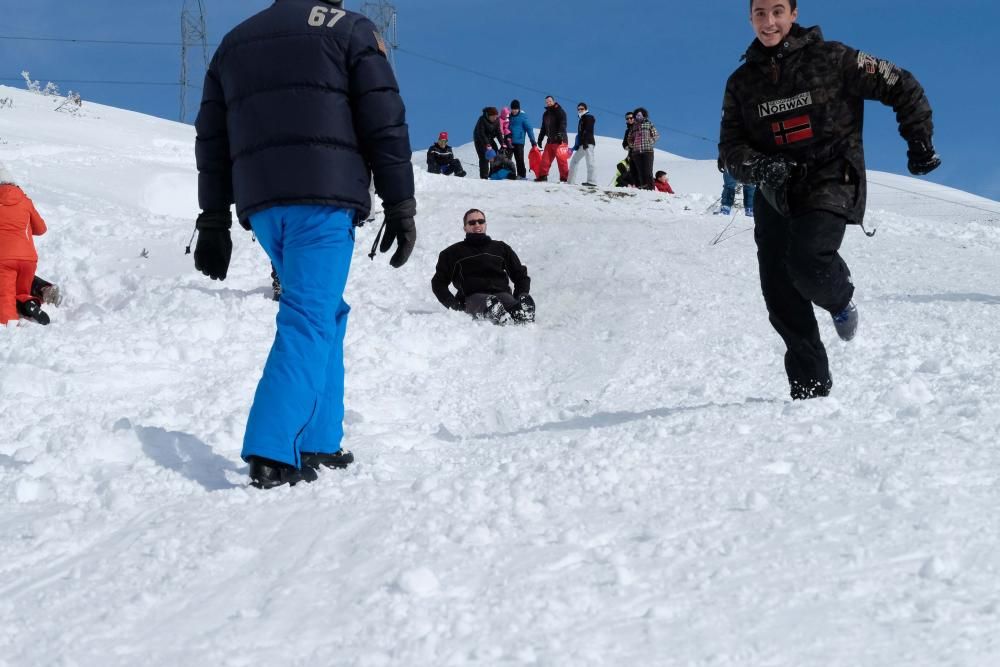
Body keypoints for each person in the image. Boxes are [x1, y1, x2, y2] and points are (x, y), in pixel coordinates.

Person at [193, 0, 416, 488]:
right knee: (309, 317)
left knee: (324, 311)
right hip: (324, 197)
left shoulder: (235, 41)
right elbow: (384, 120)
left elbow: (212, 135)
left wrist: (214, 217)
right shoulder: (352, 30)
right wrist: (400, 203)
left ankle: (319, 437)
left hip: (264, 204)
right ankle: (273, 449)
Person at [719, 0, 939, 400]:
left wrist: (919, 139)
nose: (769, 22)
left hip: (831, 176)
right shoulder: (740, 82)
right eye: (760, 13)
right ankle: (810, 389)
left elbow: (899, 82)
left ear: (794, 13)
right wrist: (761, 167)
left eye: (778, 11)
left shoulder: (834, 58)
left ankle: (840, 299)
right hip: (775, 188)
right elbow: (730, 147)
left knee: (808, 262)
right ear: (749, 18)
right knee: (779, 293)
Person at [431, 208, 534, 325]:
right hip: (472, 298)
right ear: (465, 227)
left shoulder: (501, 248)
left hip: (502, 295)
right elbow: (438, 283)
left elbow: (520, 275)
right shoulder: (452, 253)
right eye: (472, 222)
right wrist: (454, 306)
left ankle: (520, 312)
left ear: (485, 225)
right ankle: (497, 314)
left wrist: (520, 295)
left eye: (480, 221)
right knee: (489, 303)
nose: (477, 224)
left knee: (510, 304)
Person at [0, 165, 50, 327]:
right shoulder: (24, 201)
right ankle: (29, 303)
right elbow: (41, 229)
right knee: (21, 291)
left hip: (3, 259)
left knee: (5, 294)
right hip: (28, 259)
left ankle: (8, 326)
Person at [535, 96, 569, 183]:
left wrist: (560, 134)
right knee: (545, 160)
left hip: (560, 140)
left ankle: (564, 178)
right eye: (547, 102)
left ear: (554, 101)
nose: (548, 103)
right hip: (550, 141)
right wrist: (540, 139)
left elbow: (563, 123)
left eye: (550, 101)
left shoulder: (560, 111)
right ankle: (543, 176)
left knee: (561, 160)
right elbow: (543, 128)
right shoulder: (546, 114)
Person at [628, 107, 659, 189]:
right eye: (637, 115)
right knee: (640, 172)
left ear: (644, 115)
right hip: (636, 152)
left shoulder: (649, 124)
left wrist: (650, 141)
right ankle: (644, 188)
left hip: (647, 151)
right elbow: (629, 138)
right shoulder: (633, 127)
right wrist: (632, 144)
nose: (638, 117)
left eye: (640, 115)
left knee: (648, 171)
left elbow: (656, 135)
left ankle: (651, 188)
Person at [568, 102, 597, 187]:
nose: (580, 110)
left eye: (582, 109)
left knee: (590, 160)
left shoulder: (589, 117)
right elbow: (580, 134)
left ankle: (592, 181)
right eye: (578, 109)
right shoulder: (581, 119)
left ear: (586, 109)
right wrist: (576, 146)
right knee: (574, 161)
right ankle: (570, 181)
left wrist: (585, 142)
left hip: (588, 143)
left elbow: (587, 130)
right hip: (582, 144)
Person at [507, 99, 537, 179]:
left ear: (519, 109)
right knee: (507, 158)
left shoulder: (523, 117)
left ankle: (522, 175)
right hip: (509, 141)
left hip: (519, 142)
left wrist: (533, 141)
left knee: (519, 159)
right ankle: (509, 174)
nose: (514, 111)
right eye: (513, 109)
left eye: (516, 109)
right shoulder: (509, 117)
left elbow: (529, 129)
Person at [473, 106, 503, 179]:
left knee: (495, 153)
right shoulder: (482, 120)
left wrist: (503, 143)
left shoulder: (497, 120)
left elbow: (498, 132)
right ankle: (484, 176)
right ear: (488, 116)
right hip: (479, 140)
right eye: (493, 117)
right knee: (484, 157)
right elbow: (481, 133)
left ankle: (493, 173)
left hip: (489, 139)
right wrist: (487, 144)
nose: (495, 118)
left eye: (496, 116)